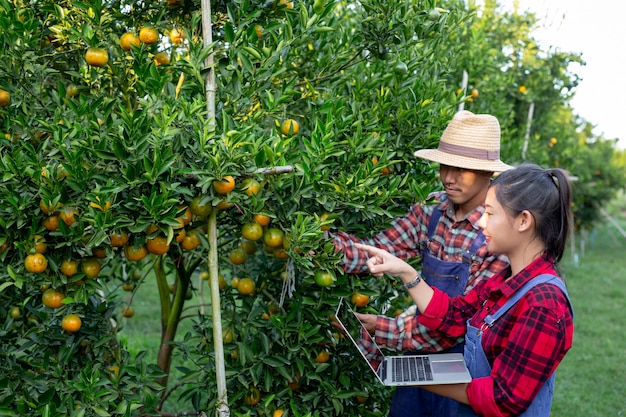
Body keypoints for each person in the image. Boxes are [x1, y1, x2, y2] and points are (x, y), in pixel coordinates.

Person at [354, 163, 575, 417]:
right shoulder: (506, 281)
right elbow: (455, 315)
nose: (481, 222)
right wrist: (407, 273)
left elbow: (502, 398)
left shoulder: (543, 304)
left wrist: (408, 376)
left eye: (490, 214)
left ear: (523, 220)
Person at [332, 110, 511, 417]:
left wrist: (380, 327)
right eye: (445, 165)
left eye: (461, 169)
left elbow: (460, 323)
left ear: (487, 174)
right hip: (418, 363)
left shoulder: (495, 233)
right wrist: (318, 245)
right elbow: (379, 250)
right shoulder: (432, 211)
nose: (448, 177)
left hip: (464, 374)